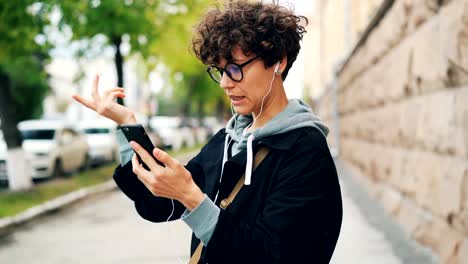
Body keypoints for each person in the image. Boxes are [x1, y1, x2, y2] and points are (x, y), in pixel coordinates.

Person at [72, 1, 342, 263]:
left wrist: (191, 197)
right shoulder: (227, 140)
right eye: (220, 71)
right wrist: (128, 125)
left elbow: (274, 255)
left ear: (278, 62)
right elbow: (160, 204)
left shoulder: (305, 152)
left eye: (236, 69)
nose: (225, 83)